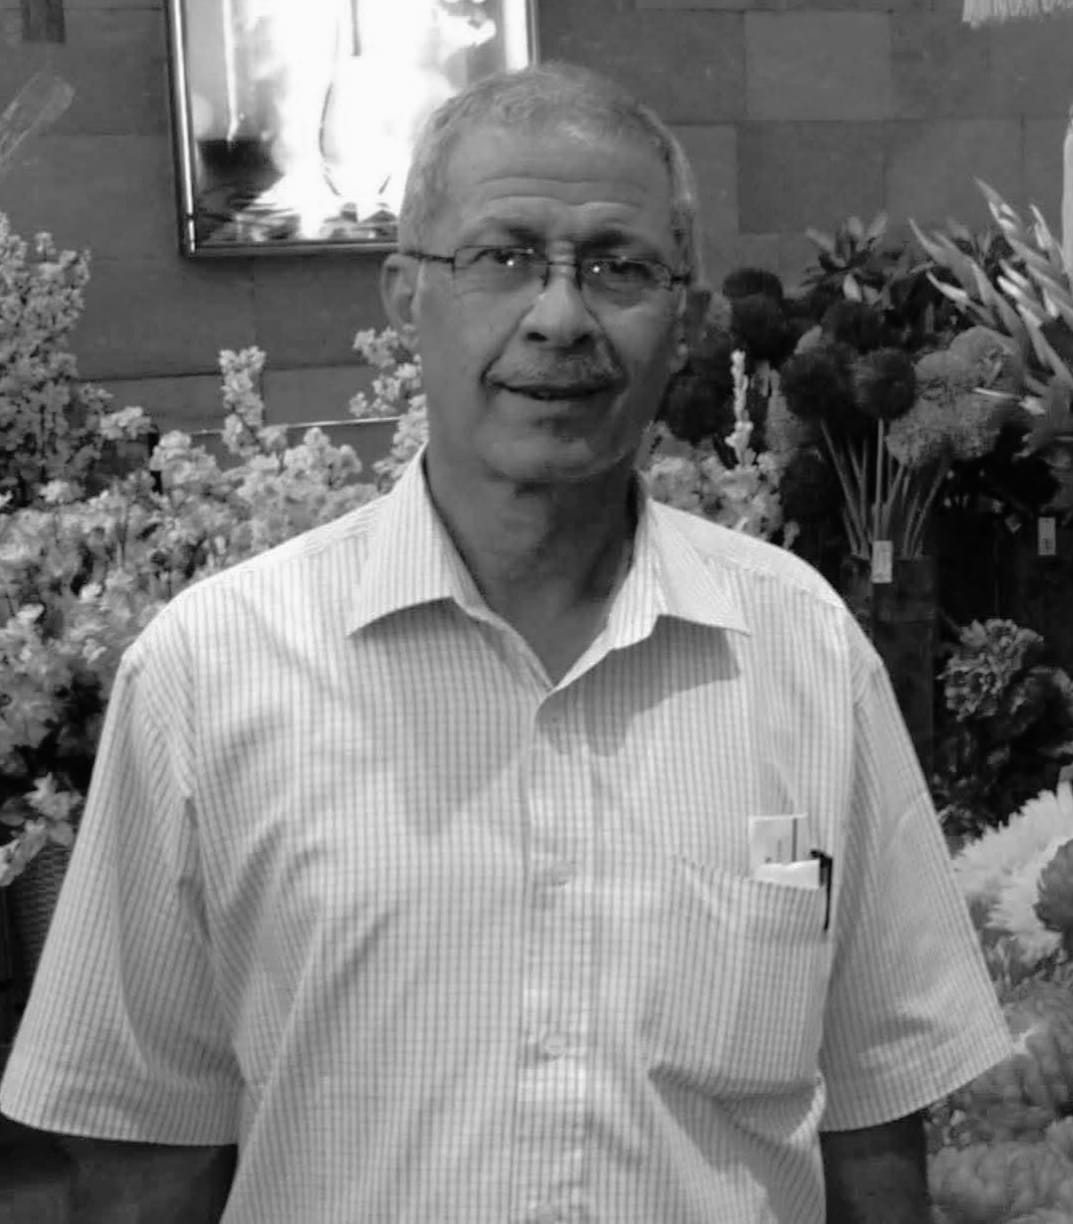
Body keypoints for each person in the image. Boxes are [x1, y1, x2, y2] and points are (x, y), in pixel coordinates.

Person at [0, 61, 1012, 1223]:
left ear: (681, 320)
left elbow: (873, 1119)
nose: (560, 317)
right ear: (404, 296)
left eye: (619, 267)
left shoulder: (803, 654)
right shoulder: (213, 671)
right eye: (503, 256)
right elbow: (144, 1156)